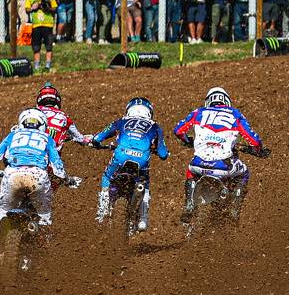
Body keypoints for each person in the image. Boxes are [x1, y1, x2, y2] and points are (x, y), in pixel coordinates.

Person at [173, 87, 270, 223]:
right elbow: (254, 141)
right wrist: (257, 149)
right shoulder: (235, 114)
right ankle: (234, 209)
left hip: (198, 165)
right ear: (226, 101)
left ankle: (189, 204)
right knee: (244, 172)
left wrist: (188, 141)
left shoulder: (198, 112)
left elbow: (178, 131)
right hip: (223, 166)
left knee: (190, 170)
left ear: (208, 101)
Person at [0, 107, 74, 238]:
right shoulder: (47, 138)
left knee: (4, 210)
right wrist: (67, 180)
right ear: (43, 124)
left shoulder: (12, 135)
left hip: (12, 175)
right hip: (37, 177)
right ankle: (45, 241)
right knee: (44, 213)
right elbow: (58, 168)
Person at [93, 97, 169, 230]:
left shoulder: (121, 120)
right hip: (142, 159)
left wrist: (96, 143)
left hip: (121, 155)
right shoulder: (156, 126)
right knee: (145, 184)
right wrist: (162, 152)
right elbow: (163, 154)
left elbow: (98, 137)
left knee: (107, 177)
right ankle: (143, 219)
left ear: (129, 109)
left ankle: (102, 212)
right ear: (149, 112)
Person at [33, 83, 92, 149]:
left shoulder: (31, 112)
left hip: (31, 149)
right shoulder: (64, 116)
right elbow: (81, 139)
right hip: (52, 152)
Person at [25, 0, 59, 72]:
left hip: (48, 23)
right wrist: (33, 8)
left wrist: (48, 8)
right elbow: (27, 9)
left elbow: (55, 8)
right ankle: (37, 66)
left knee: (49, 46)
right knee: (36, 47)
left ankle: (48, 65)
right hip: (36, 24)